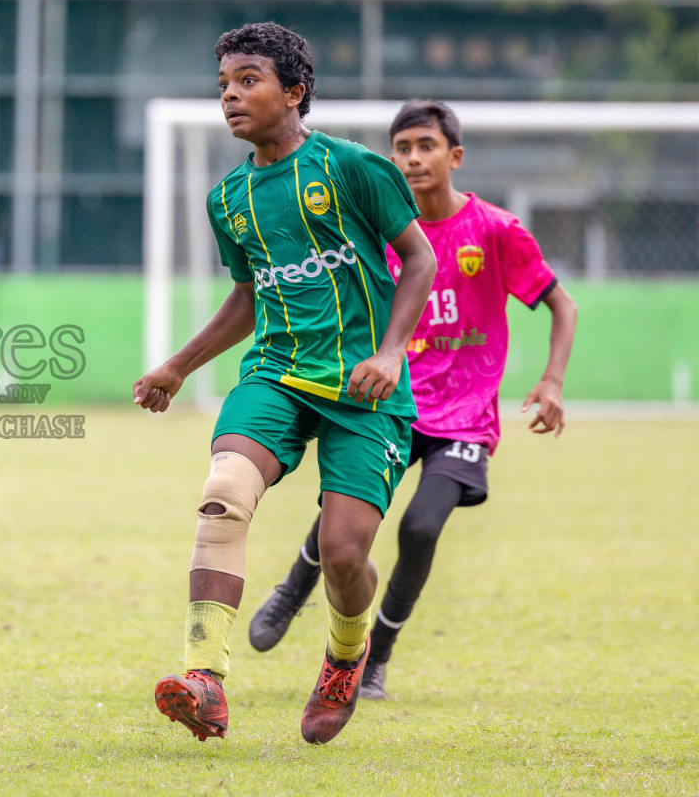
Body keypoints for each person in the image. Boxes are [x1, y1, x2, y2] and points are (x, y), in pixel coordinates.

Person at [133, 22, 436, 745]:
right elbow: (247, 296)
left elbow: (418, 261)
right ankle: (203, 676)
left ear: (294, 92)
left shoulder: (354, 168)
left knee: (342, 555)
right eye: (223, 86)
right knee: (224, 495)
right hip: (276, 374)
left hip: (365, 388)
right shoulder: (228, 198)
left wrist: (392, 352)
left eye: (247, 81)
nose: (230, 97)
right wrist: (179, 365)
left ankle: (344, 655)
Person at [246, 99, 577, 700]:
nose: (413, 158)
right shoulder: (378, 227)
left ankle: (375, 660)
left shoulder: (496, 230)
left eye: (426, 146)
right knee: (346, 514)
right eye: (402, 148)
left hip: (465, 418)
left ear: (455, 156)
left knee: (421, 528)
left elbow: (563, 303)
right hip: (392, 401)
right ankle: (294, 589)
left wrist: (551, 380)